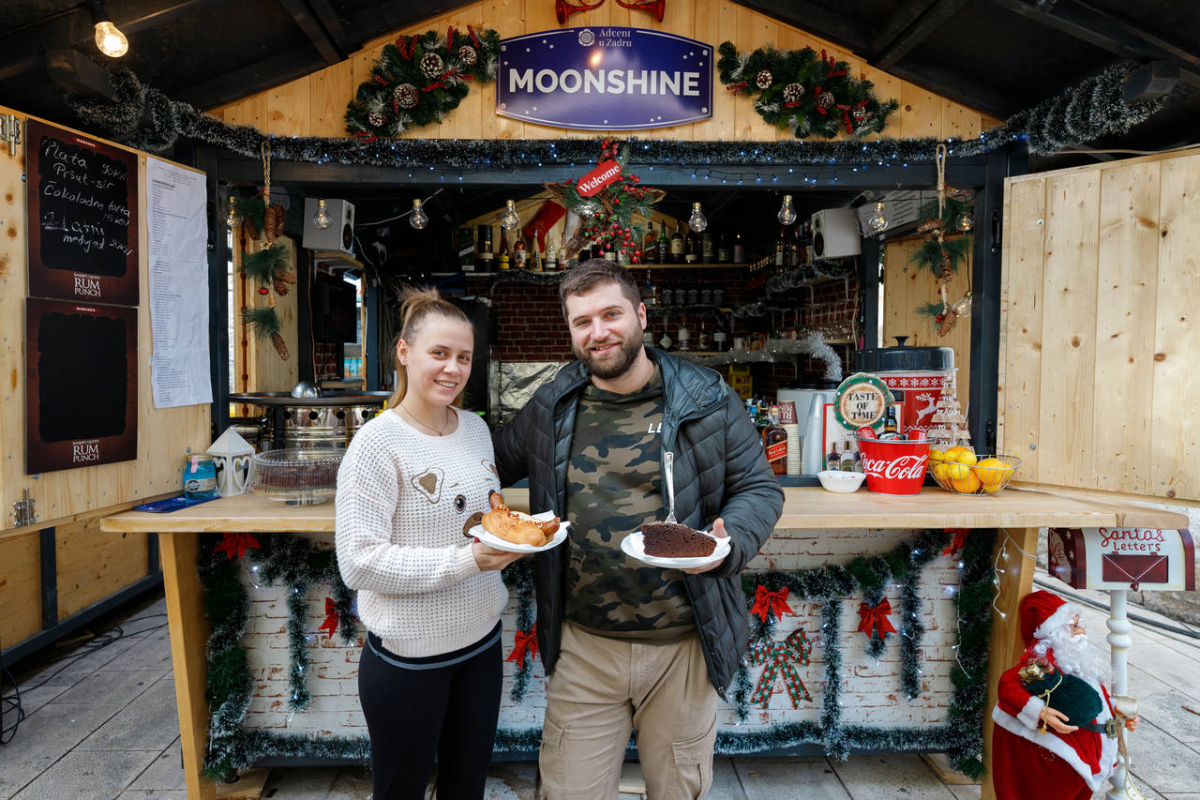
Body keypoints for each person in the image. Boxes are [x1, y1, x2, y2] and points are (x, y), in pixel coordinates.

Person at [492, 259, 784, 800]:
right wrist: (418, 427)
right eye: (582, 321)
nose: (598, 332)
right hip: (584, 647)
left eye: (611, 315)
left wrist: (729, 546)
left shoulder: (706, 397)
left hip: (683, 645)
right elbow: (487, 463)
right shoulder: (552, 402)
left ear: (641, 316)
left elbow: (759, 488)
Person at [335, 287, 523, 800]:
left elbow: (481, 518)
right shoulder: (376, 444)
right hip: (408, 660)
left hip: (481, 646)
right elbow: (359, 563)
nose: (453, 369)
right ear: (404, 352)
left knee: (467, 789)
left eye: (464, 357)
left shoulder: (476, 429)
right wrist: (469, 560)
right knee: (401, 791)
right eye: (439, 353)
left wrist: (506, 538)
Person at [991, 590, 1139, 800]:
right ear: (1054, 632)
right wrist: (1040, 711)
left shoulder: (1078, 660)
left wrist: (1117, 710)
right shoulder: (1042, 663)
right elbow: (1009, 683)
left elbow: (1092, 696)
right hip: (1060, 755)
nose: (1082, 631)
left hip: (1086, 756)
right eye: (1074, 626)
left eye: (1081, 624)